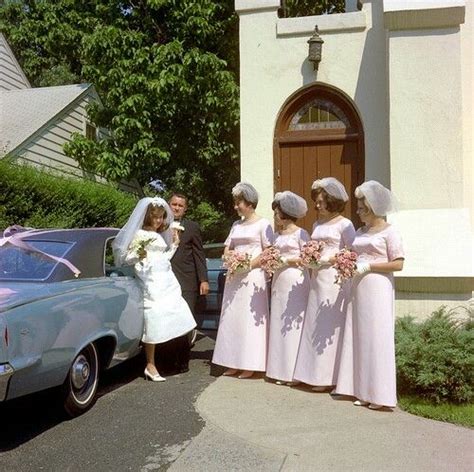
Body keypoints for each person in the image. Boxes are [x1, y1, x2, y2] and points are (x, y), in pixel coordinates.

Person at [335, 181, 404, 410]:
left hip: (377, 288)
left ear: (373, 208)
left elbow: (398, 264)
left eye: (362, 208)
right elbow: (353, 253)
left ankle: (380, 395)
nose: (358, 211)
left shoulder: (390, 231)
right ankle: (363, 390)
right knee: (360, 337)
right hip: (358, 288)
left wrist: (370, 267)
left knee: (376, 338)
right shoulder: (360, 232)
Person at [113, 197, 197, 382]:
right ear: (147, 217)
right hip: (150, 279)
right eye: (156, 217)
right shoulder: (139, 235)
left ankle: (163, 360)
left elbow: (163, 258)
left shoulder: (159, 235)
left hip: (165, 278)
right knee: (154, 317)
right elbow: (126, 258)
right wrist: (138, 255)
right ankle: (150, 365)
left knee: (173, 313)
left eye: (161, 217)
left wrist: (174, 244)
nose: (159, 221)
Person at [293, 177, 356, 391]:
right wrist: (310, 257)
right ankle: (309, 372)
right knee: (314, 322)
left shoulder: (345, 224)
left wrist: (329, 259)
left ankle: (327, 377)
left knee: (328, 323)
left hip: (333, 279)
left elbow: (351, 251)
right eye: (316, 201)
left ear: (332, 201)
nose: (317, 205)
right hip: (316, 278)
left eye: (321, 201)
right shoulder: (316, 224)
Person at [212, 182, 274, 379]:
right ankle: (232, 361)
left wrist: (248, 265)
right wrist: (231, 259)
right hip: (234, 277)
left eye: (239, 202)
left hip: (253, 277)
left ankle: (250, 363)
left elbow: (269, 252)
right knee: (233, 318)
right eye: (235, 202)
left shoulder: (263, 224)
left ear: (249, 203)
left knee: (248, 320)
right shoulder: (236, 225)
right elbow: (227, 248)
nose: (236, 206)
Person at [158, 193, 209, 373]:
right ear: (168, 205)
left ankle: (182, 362)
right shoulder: (159, 226)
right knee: (167, 322)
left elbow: (199, 254)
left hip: (187, 282)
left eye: (180, 205)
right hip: (165, 282)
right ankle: (165, 361)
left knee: (184, 323)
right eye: (174, 204)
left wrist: (203, 280)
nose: (177, 207)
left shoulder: (192, 227)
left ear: (185, 209)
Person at [266, 191, 310, 386]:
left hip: (295, 280)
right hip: (279, 280)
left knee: (294, 324)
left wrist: (286, 260)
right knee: (279, 321)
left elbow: (307, 258)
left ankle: (293, 372)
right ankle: (279, 370)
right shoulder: (276, 236)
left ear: (284, 213)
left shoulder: (301, 233)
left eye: (276, 213)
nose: (275, 217)